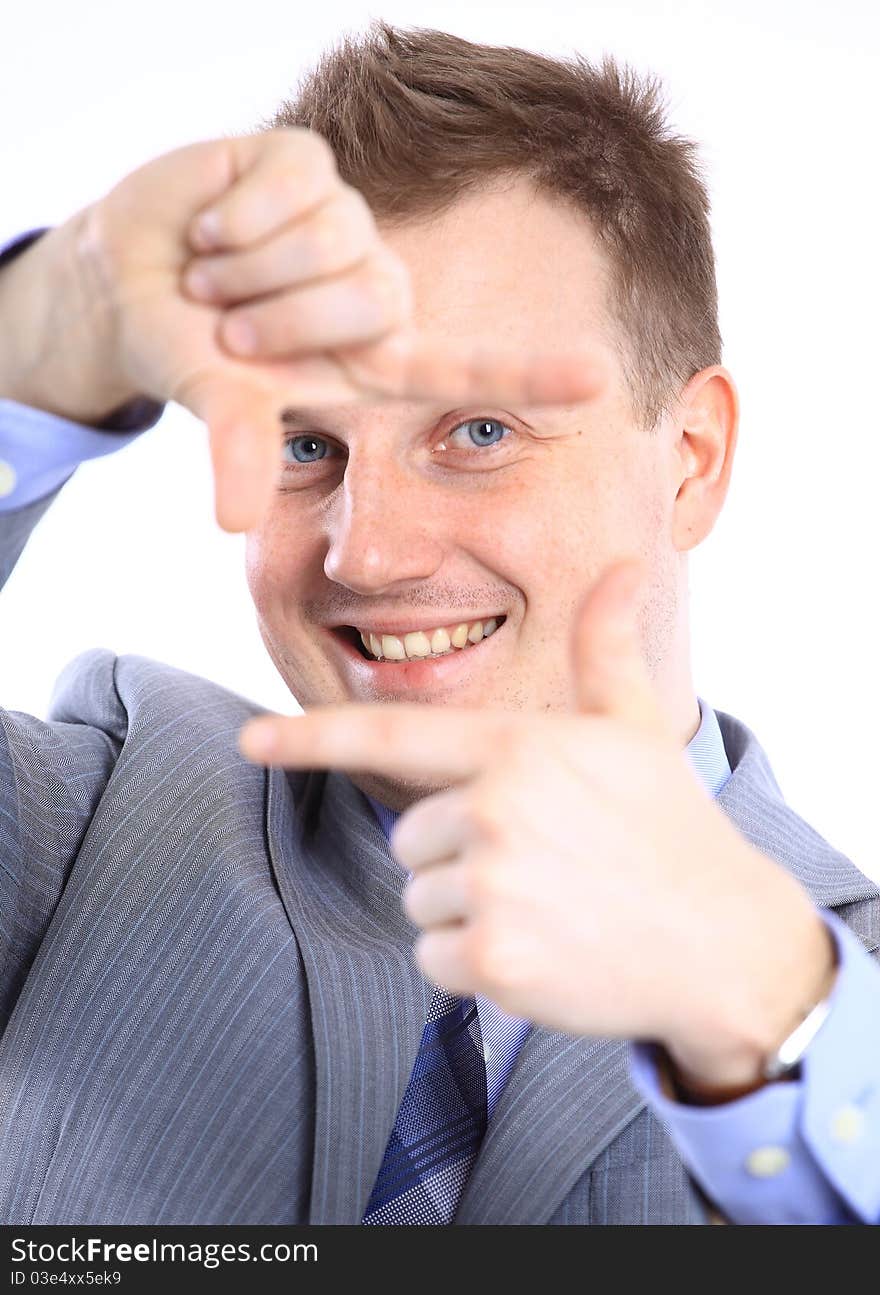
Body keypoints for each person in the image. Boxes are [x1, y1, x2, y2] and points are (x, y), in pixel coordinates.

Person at [0, 22, 877, 1227]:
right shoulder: (77, 823)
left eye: (478, 432)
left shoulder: (843, 980)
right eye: (308, 444)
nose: (366, 549)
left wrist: (779, 1006)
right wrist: (25, 351)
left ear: (689, 460)